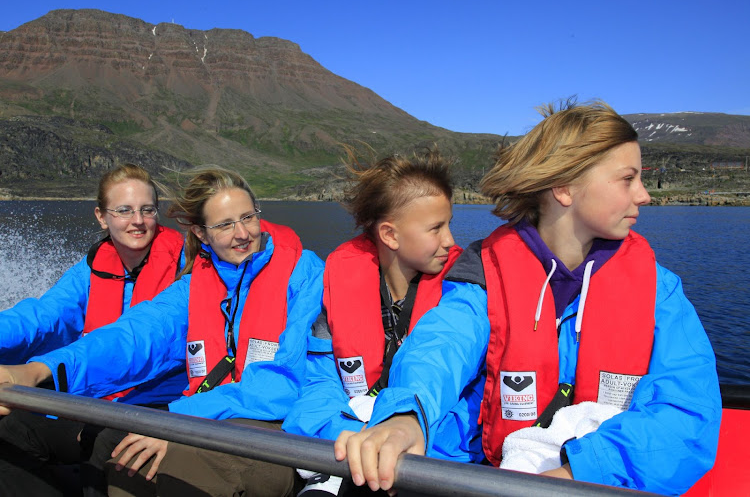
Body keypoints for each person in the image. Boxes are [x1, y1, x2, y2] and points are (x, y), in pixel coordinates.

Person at [334, 101, 722, 495]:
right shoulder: (484, 276)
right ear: (564, 188)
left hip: (594, 479)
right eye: (628, 179)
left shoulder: (660, 292)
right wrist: (405, 416)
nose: (644, 196)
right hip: (489, 468)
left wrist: (572, 478)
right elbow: (440, 347)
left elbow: (687, 412)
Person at [0, 166, 325, 496]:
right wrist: (40, 370)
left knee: (144, 456)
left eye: (248, 218)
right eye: (225, 224)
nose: (242, 233)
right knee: (113, 456)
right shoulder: (193, 286)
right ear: (201, 233)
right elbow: (132, 337)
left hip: (268, 427)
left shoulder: (303, 273)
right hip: (199, 414)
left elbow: (285, 381)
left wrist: (174, 418)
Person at [283, 149, 482, 495]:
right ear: (390, 235)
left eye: (449, 224)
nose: (450, 241)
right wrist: (353, 438)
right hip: (347, 444)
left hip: (426, 457)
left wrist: (397, 443)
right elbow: (321, 382)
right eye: (436, 228)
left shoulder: (462, 291)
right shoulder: (340, 282)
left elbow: (471, 398)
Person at [0, 163, 186, 495]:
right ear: (102, 216)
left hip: (156, 405)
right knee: (11, 432)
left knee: (107, 451)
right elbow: (44, 317)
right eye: (124, 210)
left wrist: (38, 370)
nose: (138, 221)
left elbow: (138, 338)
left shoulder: (186, 271)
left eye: (147, 210)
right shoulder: (91, 268)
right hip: (93, 397)